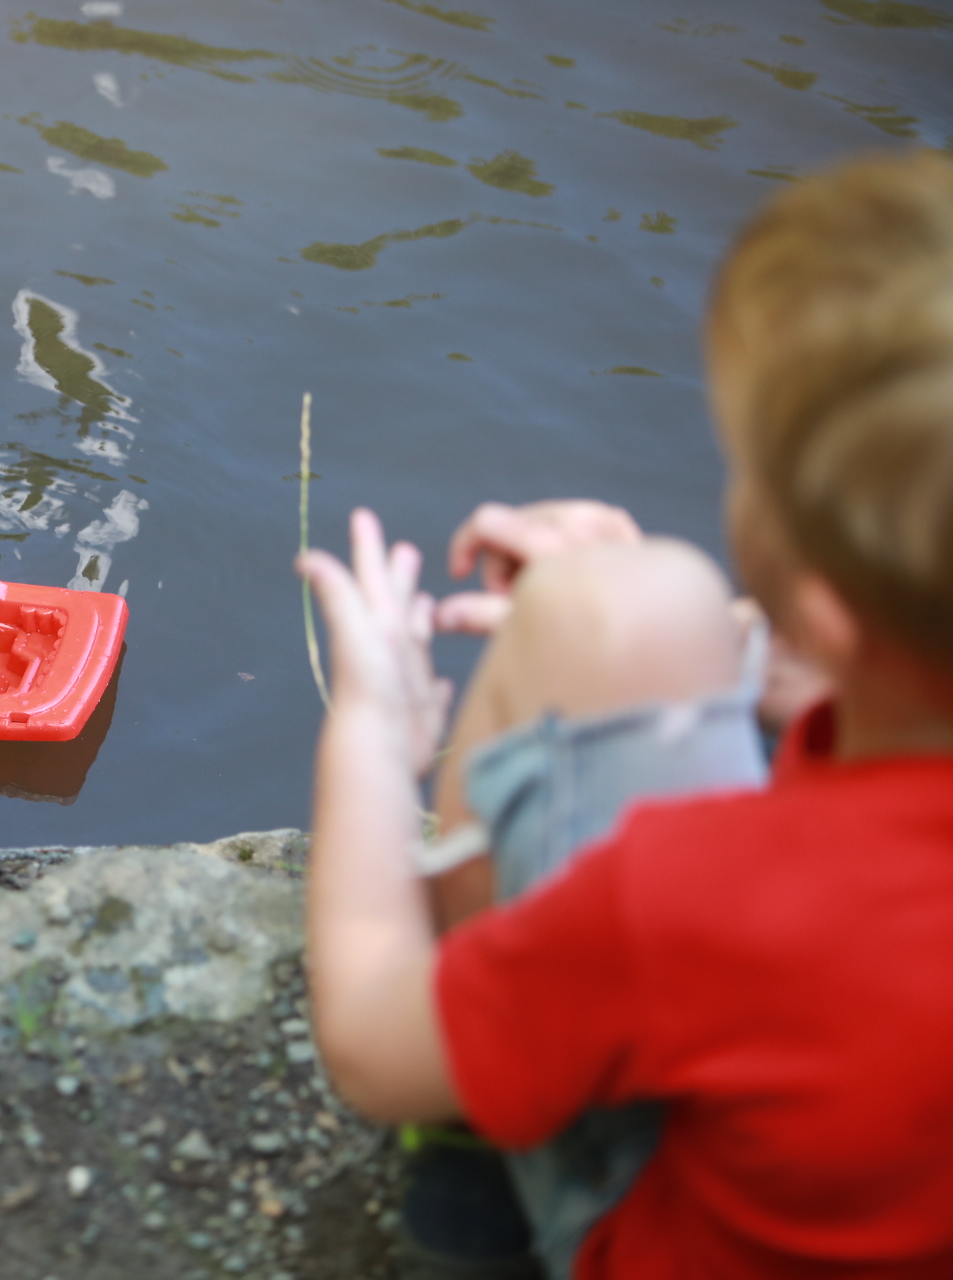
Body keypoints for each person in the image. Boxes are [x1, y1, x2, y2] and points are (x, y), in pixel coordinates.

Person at [294, 148, 953, 1279]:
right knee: (646, 603)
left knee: (620, 614)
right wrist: (743, 639)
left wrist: (369, 734)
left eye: (747, 469)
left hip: (670, 1234)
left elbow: (365, 1038)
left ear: (834, 613)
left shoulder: (701, 905)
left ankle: (476, 1157)